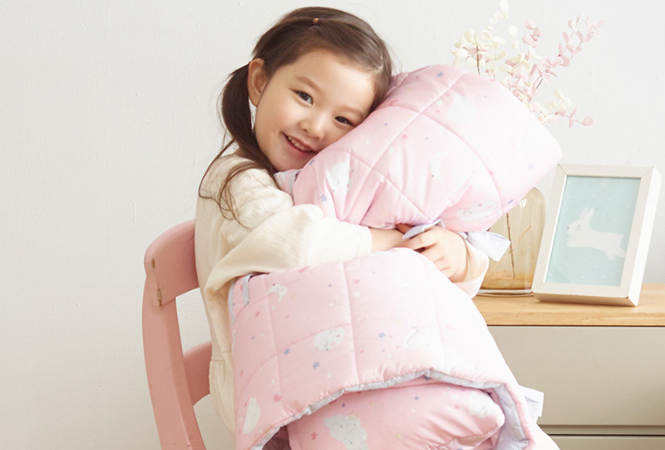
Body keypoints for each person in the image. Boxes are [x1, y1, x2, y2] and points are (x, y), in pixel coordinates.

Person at [195, 6, 488, 445]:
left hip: (347, 379)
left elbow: (434, 281)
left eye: (343, 120)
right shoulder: (235, 179)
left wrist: (458, 255)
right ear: (259, 81)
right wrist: (391, 242)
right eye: (305, 96)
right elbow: (295, 243)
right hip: (274, 399)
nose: (315, 127)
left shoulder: (331, 188)